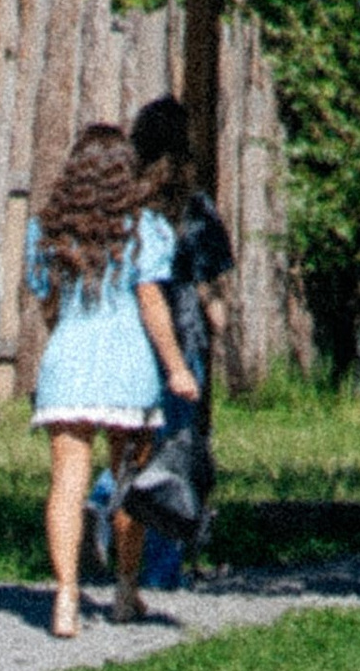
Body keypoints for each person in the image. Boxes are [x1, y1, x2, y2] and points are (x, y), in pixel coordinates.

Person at [24, 122, 199, 637]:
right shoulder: (146, 229)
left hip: (68, 368)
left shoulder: (49, 231)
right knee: (130, 486)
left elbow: (47, 303)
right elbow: (151, 304)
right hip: (128, 371)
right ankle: (125, 592)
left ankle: (65, 597)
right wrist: (177, 368)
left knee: (66, 486)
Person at [125, 94, 235, 591]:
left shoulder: (125, 201)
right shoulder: (195, 206)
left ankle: (111, 507)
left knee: (129, 442)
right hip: (182, 333)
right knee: (174, 453)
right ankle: (161, 570)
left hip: (127, 336)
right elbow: (211, 280)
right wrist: (216, 312)